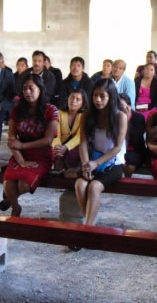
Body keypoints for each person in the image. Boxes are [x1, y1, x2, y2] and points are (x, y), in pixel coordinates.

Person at [2, 73, 59, 217]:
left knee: (24, 185)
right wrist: (21, 160)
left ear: (40, 89)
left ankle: (9, 200)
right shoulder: (17, 110)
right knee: (8, 184)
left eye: (31, 88)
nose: (27, 92)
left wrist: (21, 146)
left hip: (41, 154)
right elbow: (11, 139)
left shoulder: (51, 110)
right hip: (20, 154)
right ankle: (15, 208)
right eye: (24, 88)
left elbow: (48, 140)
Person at [75, 79, 127, 227]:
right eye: (95, 95)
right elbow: (83, 142)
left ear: (111, 96)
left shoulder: (120, 116)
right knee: (80, 184)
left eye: (102, 96)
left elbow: (117, 147)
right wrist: (86, 164)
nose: (98, 100)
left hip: (113, 163)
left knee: (94, 187)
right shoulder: (87, 115)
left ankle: (87, 228)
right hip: (92, 160)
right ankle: (90, 224)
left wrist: (96, 163)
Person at [52, 89, 87, 171]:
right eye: (72, 97)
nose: (73, 101)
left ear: (82, 103)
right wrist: (57, 147)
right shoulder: (59, 113)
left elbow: (80, 136)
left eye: (78, 99)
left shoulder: (85, 115)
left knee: (74, 154)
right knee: (54, 153)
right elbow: (56, 133)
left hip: (75, 145)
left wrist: (66, 147)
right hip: (60, 144)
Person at [119, 93, 148, 178]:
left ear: (128, 106)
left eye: (121, 105)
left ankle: (127, 182)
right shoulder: (113, 116)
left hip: (134, 150)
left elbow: (136, 140)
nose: (118, 108)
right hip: (118, 148)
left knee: (129, 163)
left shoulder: (139, 118)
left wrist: (126, 120)